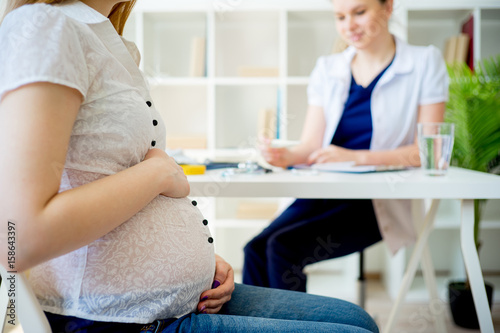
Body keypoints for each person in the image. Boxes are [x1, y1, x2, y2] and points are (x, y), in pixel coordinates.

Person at [0, 0, 379, 332]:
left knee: (359, 321)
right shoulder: (45, 26)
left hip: (179, 300)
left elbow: (99, 176)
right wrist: (157, 174)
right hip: (116, 320)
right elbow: (19, 238)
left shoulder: (107, 40)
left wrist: (198, 263)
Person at [243, 0, 449, 292]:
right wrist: (282, 154)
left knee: (282, 248)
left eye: (359, 12)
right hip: (324, 192)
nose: (348, 26)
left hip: (376, 203)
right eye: (340, 17)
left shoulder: (424, 62)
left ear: (388, 7)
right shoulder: (328, 68)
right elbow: (311, 147)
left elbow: (427, 152)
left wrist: (354, 157)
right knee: (255, 249)